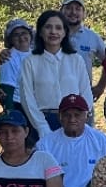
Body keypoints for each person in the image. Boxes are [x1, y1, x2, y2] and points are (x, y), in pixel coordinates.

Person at [35, 94, 106, 187]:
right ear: (60, 117)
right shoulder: (45, 144)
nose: (72, 119)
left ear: (86, 115)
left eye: (77, 115)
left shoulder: (101, 141)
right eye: (67, 115)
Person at [19, 10, 94, 140]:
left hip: (73, 121)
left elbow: (86, 92)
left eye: (58, 28)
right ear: (40, 32)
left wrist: (80, 120)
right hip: (43, 121)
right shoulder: (30, 61)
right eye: (48, 27)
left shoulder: (76, 59)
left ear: (65, 33)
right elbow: (27, 98)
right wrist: (42, 127)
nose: (53, 32)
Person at [59, 0, 106, 102]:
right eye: (68, 8)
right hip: (55, 96)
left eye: (77, 9)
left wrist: (101, 86)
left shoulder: (92, 37)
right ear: (60, 11)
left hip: (83, 96)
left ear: (83, 14)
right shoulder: (52, 34)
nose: (73, 12)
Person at [0, 18, 33, 113]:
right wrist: (10, 113)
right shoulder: (9, 58)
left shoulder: (35, 53)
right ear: (10, 39)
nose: (21, 38)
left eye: (24, 33)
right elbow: (6, 90)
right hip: (20, 106)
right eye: (16, 35)